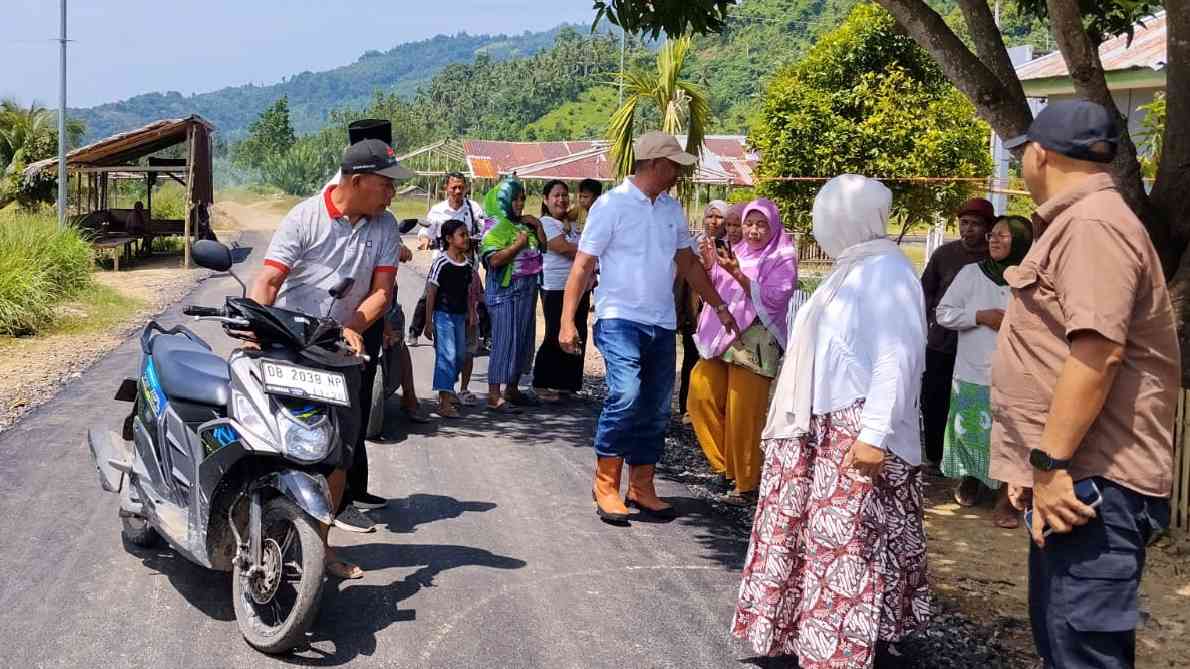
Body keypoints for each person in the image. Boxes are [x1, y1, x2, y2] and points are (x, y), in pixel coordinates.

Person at [994, 100, 1178, 668]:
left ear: (1041, 153)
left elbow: (1098, 352)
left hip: (1093, 487)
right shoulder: (1083, 221)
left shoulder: (1093, 225)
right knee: (1062, 644)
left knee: (1082, 654)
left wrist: (1050, 464)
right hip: (1078, 480)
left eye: (1025, 150)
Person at [733, 175, 930, 668]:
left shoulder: (888, 273)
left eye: (826, 217)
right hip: (824, 426)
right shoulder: (854, 268)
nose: (820, 227)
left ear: (849, 219)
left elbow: (897, 359)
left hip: (857, 428)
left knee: (848, 546)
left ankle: (841, 650)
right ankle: (824, 640)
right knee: (827, 542)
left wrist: (873, 435)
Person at [559, 131, 739, 525]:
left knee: (656, 406)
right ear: (656, 164)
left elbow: (689, 264)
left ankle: (641, 486)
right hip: (619, 318)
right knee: (626, 393)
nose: (678, 173)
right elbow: (583, 266)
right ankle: (606, 483)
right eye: (674, 165)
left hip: (661, 323)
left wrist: (720, 305)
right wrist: (566, 321)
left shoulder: (671, 209)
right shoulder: (611, 206)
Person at [250, 138, 409, 580]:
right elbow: (268, 279)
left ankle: (319, 549)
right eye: (386, 184)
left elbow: (382, 290)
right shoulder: (305, 217)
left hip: (339, 351)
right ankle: (255, 535)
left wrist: (353, 326)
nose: (392, 193)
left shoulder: (385, 226)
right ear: (357, 181)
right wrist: (257, 324)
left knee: (336, 453)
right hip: (288, 345)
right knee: (271, 441)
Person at [689, 198, 797, 506]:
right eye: (749, 224)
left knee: (743, 413)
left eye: (760, 224)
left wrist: (738, 275)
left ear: (773, 226)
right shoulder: (737, 251)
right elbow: (717, 290)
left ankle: (746, 482)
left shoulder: (782, 256)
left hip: (757, 343)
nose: (753, 231)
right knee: (700, 394)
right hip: (724, 338)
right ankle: (726, 467)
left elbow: (776, 299)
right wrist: (711, 267)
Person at [935, 214, 1033, 527]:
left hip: (1018, 373)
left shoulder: (1032, 279)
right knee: (972, 433)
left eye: (1003, 235)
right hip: (973, 371)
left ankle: (1007, 499)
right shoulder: (970, 274)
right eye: (992, 234)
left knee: (1013, 435)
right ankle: (971, 479)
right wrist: (979, 316)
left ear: (1021, 241)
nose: (993, 239)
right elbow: (944, 313)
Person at [920, 197, 994, 467]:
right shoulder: (944, 255)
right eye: (964, 223)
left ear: (988, 227)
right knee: (935, 399)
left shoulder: (995, 257)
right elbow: (925, 293)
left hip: (979, 344)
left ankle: (968, 464)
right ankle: (935, 456)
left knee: (972, 404)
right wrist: (925, 325)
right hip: (941, 342)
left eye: (975, 224)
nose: (968, 229)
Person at [480, 177, 546, 412]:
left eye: (522, 200)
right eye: (515, 199)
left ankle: (512, 388)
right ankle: (494, 395)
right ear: (503, 201)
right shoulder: (494, 227)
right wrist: (517, 245)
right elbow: (494, 261)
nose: (519, 204)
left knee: (523, 341)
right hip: (505, 295)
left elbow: (543, 248)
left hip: (527, 291)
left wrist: (537, 227)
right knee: (505, 342)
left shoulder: (523, 224)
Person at [410, 172, 486, 350]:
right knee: (429, 295)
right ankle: (415, 330)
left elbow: (485, 230)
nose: (458, 191)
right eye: (454, 187)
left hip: (467, 264)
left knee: (477, 297)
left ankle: (485, 336)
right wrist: (424, 240)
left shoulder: (473, 208)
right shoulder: (437, 210)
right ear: (446, 189)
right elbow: (425, 232)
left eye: (461, 187)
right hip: (443, 265)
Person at [533, 180, 590, 401]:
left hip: (578, 286)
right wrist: (589, 250)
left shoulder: (570, 224)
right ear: (546, 200)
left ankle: (567, 384)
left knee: (578, 333)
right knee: (555, 332)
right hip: (555, 287)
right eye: (556, 195)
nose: (562, 199)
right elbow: (563, 248)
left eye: (565, 195)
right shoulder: (545, 223)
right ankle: (542, 382)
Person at [676, 200, 728, 421]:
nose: (714, 221)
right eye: (710, 216)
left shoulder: (730, 247)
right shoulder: (693, 244)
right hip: (694, 309)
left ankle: (713, 408)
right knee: (691, 357)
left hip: (721, 310)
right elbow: (681, 280)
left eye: (719, 217)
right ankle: (687, 407)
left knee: (716, 360)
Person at [425, 219, 476, 419]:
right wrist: (429, 321)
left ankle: (447, 390)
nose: (466, 238)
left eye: (466, 234)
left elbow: (468, 291)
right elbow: (431, 292)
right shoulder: (441, 262)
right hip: (443, 315)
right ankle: (444, 402)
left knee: (461, 355)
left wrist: (471, 312)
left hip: (459, 316)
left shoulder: (467, 263)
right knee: (447, 355)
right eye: (461, 235)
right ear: (448, 239)